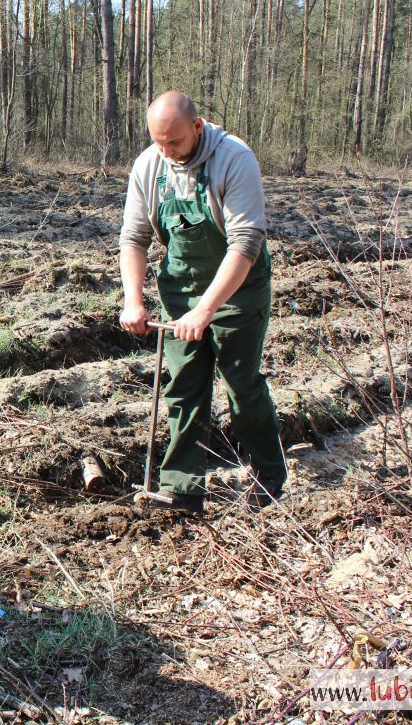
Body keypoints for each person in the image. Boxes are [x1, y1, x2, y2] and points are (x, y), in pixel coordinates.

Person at [118, 91, 285, 514]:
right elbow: (134, 238)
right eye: (158, 141)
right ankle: (181, 488)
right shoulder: (149, 165)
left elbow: (246, 242)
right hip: (180, 287)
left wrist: (207, 308)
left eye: (174, 142)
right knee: (185, 385)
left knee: (241, 385)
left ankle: (268, 477)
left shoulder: (234, 158)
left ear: (197, 127)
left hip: (238, 289)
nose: (166, 151)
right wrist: (133, 301)